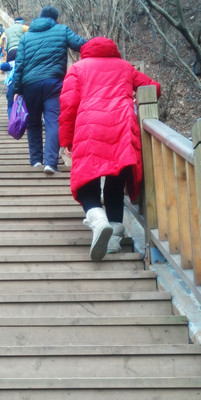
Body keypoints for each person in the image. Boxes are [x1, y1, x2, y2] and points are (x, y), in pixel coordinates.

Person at [59, 36, 161, 260]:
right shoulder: (125, 67)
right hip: (122, 126)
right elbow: (153, 87)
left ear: (86, 51)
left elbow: (68, 105)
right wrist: (136, 100)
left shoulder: (77, 68)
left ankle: (98, 221)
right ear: (112, 50)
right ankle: (113, 240)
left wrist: (66, 140)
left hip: (90, 127)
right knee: (116, 181)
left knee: (86, 180)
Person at [12, 6, 87, 174]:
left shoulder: (26, 36)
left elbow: (19, 65)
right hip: (53, 83)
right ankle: (50, 163)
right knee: (53, 122)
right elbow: (81, 45)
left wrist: (16, 88)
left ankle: (36, 160)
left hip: (29, 84)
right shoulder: (61, 30)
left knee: (33, 123)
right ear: (56, 19)